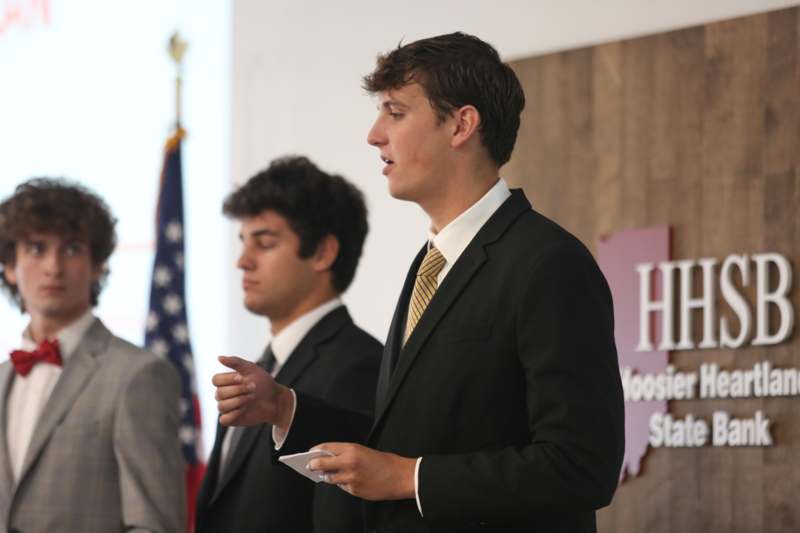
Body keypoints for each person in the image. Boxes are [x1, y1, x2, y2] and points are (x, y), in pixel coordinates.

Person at [214, 33, 624, 533]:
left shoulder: (549, 262)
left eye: (395, 112)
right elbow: (401, 442)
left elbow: (583, 467)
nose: (373, 134)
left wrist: (411, 478)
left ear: (460, 125)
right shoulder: (431, 263)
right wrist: (285, 407)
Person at [195, 156, 382, 532]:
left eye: (264, 243)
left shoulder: (360, 362)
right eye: (243, 243)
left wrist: (284, 407)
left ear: (322, 253)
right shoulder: (264, 364)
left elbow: (345, 513)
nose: (243, 262)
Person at [0, 178, 185, 532]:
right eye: (37, 249)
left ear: (98, 264)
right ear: (10, 266)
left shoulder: (140, 375)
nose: (53, 267)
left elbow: (154, 525)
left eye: (71, 249)